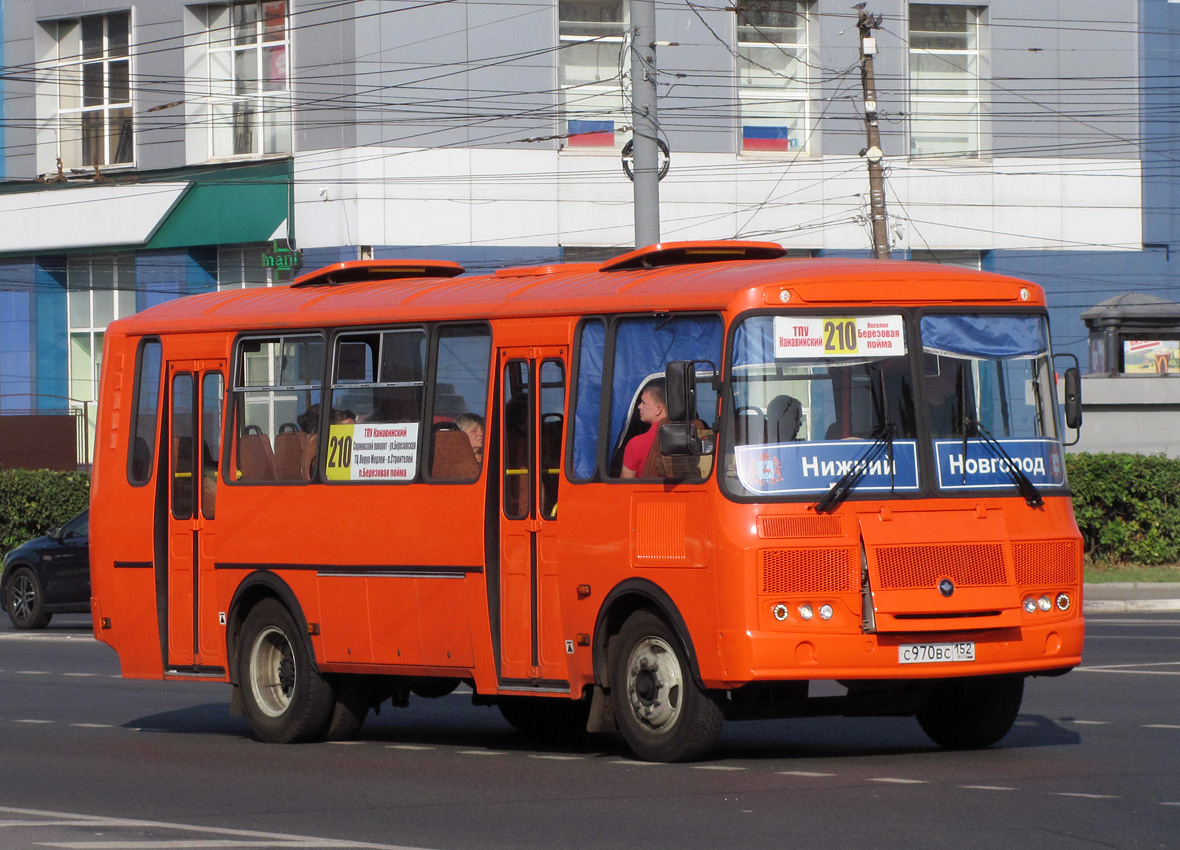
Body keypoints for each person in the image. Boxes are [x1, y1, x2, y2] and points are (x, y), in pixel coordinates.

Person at [621, 379, 667, 479]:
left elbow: (624, 486)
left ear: (658, 409)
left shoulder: (637, 443)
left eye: (643, 402)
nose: (639, 406)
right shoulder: (688, 435)